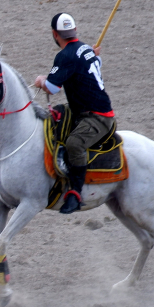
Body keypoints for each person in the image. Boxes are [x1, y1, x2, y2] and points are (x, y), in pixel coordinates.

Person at [34, 13, 115, 214]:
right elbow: (94, 64)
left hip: (98, 117)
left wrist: (40, 81)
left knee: (74, 143)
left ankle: (75, 193)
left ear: (55, 34)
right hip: (82, 110)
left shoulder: (65, 55)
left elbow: (52, 89)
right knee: (57, 116)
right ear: (75, 31)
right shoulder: (87, 49)